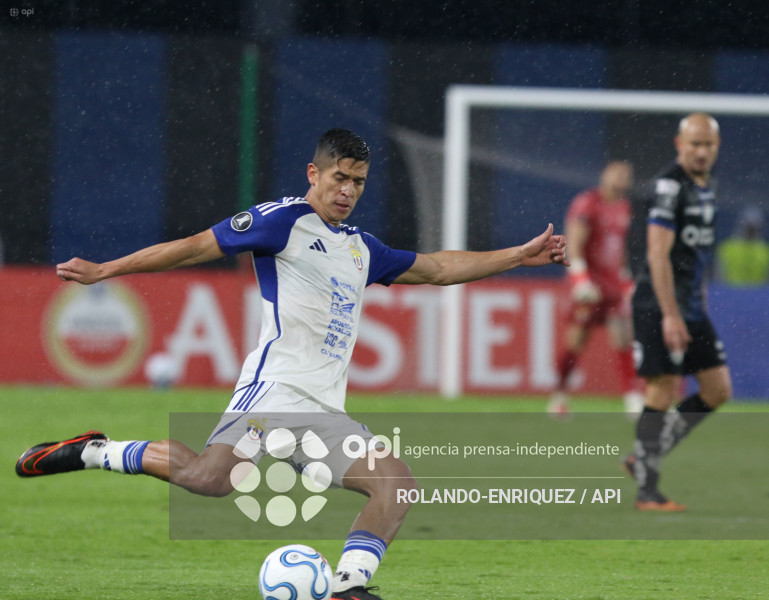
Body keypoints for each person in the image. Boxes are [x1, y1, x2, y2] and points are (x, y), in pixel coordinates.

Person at [16, 129, 569, 600]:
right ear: (314, 173)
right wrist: (106, 270)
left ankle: (350, 586)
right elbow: (192, 246)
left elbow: (436, 268)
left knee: (396, 484)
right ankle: (95, 450)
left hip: (325, 411)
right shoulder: (283, 221)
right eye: (339, 179)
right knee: (212, 480)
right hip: (275, 391)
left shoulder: (361, 248)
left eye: (358, 182)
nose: (348, 191)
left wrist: (517, 256)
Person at [624, 113, 732, 512]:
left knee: (718, 390)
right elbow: (658, 253)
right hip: (659, 303)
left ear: (717, 147)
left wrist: (694, 305)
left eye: (708, 145)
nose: (702, 151)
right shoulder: (670, 187)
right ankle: (647, 492)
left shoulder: (708, 186)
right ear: (679, 143)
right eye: (695, 144)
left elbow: (695, 254)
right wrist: (670, 314)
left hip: (689, 305)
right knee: (662, 388)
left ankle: (642, 456)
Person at [548, 160, 644, 417]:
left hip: (612, 286)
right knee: (576, 342)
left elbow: (618, 248)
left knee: (623, 338)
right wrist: (580, 279)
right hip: (590, 285)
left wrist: (626, 280)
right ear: (605, 175)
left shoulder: (624, 207)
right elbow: (574, 241)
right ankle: (559, 395)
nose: (622, 179)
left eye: (627, 176)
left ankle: (633, 398)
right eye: (618, 174)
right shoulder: (588, 203)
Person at [716, 204, 769, 286]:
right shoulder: (726, 248)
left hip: (758, 295)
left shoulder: (765, 251)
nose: (750, 231)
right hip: (730, 294)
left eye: (753, 228)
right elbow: (719, 277)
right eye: (749, 228)